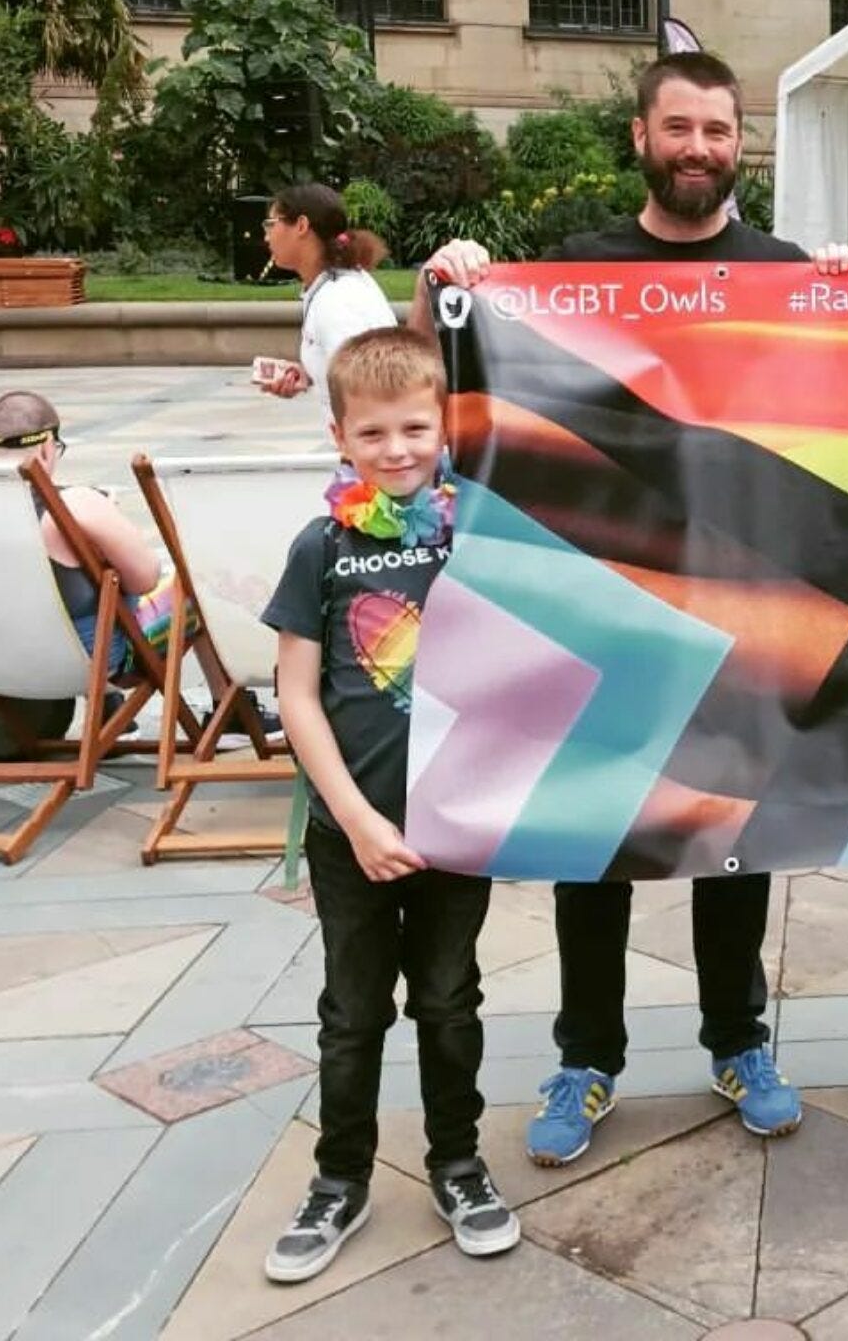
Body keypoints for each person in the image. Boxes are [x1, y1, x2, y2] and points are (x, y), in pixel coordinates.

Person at [418, 50, 848, 1165]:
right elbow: (457, 384)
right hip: (609, 602)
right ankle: (587, 1057)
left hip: (746, 600)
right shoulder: (571, 271)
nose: (699, 148)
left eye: (718, 129)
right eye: (679, 128)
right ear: (641, 139)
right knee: (591, 840)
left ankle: (738, 1039)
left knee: (733, 840)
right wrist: (447, 287)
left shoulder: (783, 270)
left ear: (739, 141)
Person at [260, 328, 519, 1283]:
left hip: (457, 827)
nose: (399, 448)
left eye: (417, 426)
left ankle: (459, 1163)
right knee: (353, 1011)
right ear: (340, 437)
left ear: (445, 423)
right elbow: (296, 694)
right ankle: (340, 1180)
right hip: (351, 832)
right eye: (374, 433)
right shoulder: (319, 547)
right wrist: (359, 822)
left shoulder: (479, 531)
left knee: (450, 1001)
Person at [0, 389, 179, 748]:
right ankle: (230, 712)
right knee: (193, 591)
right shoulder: (75, 504)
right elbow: (145, 578)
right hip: (91, 665)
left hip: (3, 666)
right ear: (48, 448)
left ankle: (112, 716)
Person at [257, 183, 397, 403]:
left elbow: (366, 389)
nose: (267, 237)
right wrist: (312, 374)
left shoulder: (336, 300)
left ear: (301, 225)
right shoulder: (336, 285)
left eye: (271, 224)